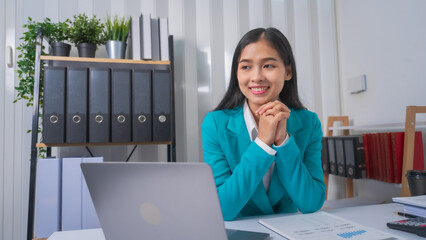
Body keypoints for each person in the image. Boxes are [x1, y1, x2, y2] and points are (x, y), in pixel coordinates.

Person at [201, 27, 326, 221]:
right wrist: (262, 144)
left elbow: (311, 203)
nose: (257, 76)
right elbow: (222, 209)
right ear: (237, 73)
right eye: (246, 67)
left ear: (288, 71)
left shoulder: (309, 123)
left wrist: (283, 142)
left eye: (268, 66)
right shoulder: (215, 125)